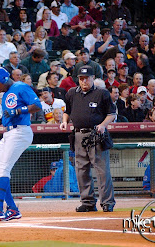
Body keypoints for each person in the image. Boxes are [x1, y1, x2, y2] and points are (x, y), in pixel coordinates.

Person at [0, 67, 42, 221]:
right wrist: (2, 120)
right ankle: (12, 208)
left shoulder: (20, 86)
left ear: (4, 79)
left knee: (3, 169)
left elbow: (37, 105)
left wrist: (18, 111)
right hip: (9, 132)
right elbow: (10, 114)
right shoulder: (7, 93)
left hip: (20, 132)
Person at [60, 65, 116, 212]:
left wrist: (103, 125)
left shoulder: (102, 93)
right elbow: (67, 111)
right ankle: (87, 202)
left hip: (96, 135)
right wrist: (65, 121)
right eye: (81, 78)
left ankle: (107, 203)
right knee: (81, 170)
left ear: (93, 78)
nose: (84, 81)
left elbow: (112, 114)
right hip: (78, 134)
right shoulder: (71, 93)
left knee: (102, 170)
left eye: (87, 78)